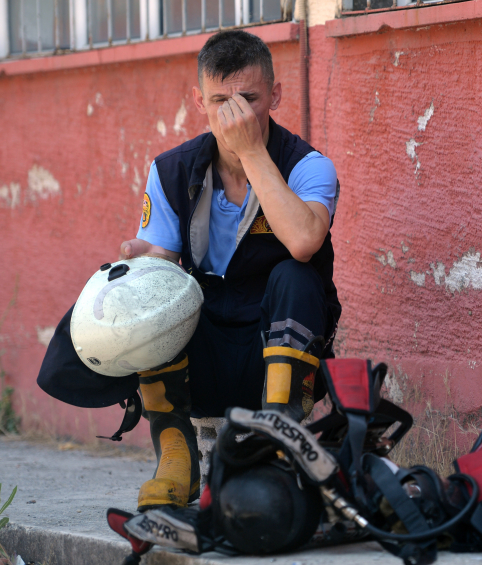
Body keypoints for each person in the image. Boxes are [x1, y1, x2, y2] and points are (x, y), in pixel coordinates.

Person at [37, 30, 341, 511]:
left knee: (296, 275)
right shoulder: (171, 170)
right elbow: (161, 268)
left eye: (250, 98)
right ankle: (175, 457)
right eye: (221, 100)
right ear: (199, 100)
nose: (235, 114)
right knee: (153, 290)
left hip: (278, 352)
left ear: (276, 95)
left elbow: (305, 241)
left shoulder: (309, 166)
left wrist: (253, 153)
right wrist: (145, 261)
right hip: (205, 352)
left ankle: (276, 443)